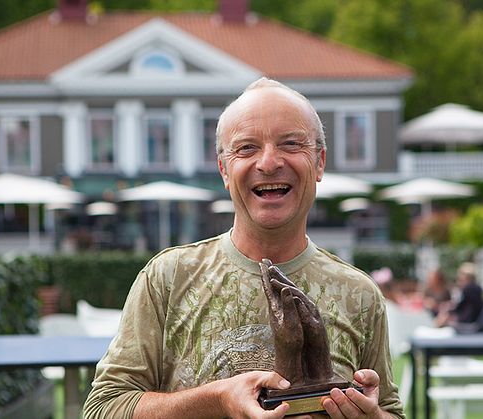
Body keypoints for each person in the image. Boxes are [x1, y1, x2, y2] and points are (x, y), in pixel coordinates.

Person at [83, 78, 404, 419]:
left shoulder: (359, 294)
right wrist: (217, 398)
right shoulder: (169, 278)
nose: (268, 162)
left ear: (320, 162)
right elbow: (103, 409)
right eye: (247, 148)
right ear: (224, 169)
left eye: (291, 143)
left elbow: (390, 412)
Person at [434, 262, 483, 328]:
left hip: (467, 320)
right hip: (470, 318)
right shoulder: (476, 288)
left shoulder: (469, 289)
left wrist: (448, 309)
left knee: (443, 318)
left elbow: (460, 306)